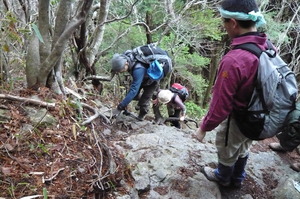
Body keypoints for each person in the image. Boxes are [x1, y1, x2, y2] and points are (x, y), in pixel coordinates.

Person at [195, 0, 267, 188]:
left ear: (233, 23)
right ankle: (238, 178)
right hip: (258, 114)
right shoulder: (266, 46)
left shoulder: (234, 60)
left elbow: (221, 105)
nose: (224, 26)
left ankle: (223, 177)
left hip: (239, 117)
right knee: (243, 147)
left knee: (227, 148)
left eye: (224, 22)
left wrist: (204, 127)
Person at [111, 47, 172, 120]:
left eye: (121, 69)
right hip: (142, 77)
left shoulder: (138, 69)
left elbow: (133, 90)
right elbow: (133, 92)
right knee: (134, 96)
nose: (120, 72)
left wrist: (119, 108)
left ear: (126, 63)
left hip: (152, 81)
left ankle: (141, 116)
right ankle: (141, 102)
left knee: (144, 101)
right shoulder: (127, 56)